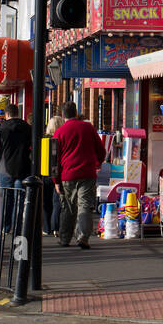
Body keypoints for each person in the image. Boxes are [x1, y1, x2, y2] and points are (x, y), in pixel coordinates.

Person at [53, 100, 106, 249]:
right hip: (87, 173)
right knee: (84, 206)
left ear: (63, 115)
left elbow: (54, 159)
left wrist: (56, 181)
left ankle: (65, 238)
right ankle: (83, 237)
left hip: (67, 174)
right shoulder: (88, 128)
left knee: (68, 207)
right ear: (76, 113)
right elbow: (101, 150)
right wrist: (97, 163)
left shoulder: (59, 132)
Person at [0, 102, 32, 189]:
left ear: (7, 114)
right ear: (17, 113)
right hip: (23, 168)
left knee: (6, 199)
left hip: (5, 169)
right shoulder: (27, 127)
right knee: (20, 199)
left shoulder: (1, 128)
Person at [42, 115, 63, 237]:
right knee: (56, 202)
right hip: (57, 174)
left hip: (45, 174)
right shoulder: (60, 139)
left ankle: (46, 227)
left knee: (45, 202)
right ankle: (56, 226)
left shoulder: (44, 139)